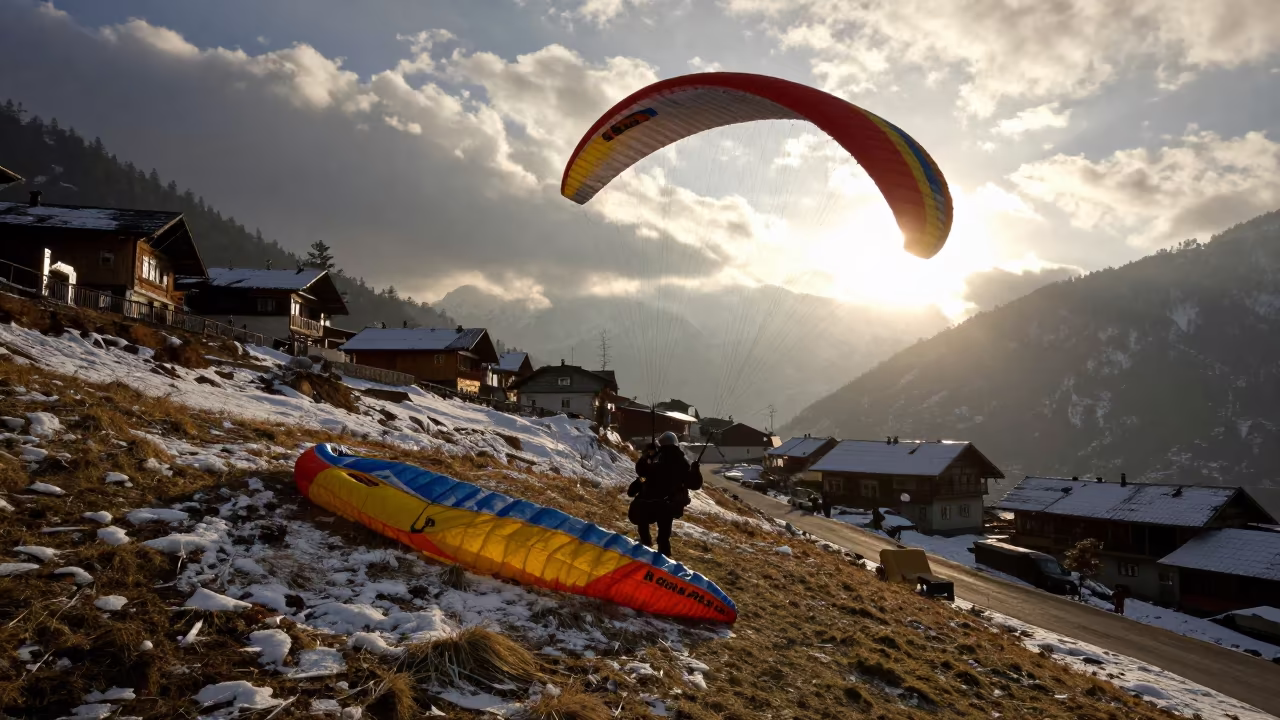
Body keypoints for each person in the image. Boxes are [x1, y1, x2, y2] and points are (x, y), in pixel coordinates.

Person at [628, 431, 698, 558]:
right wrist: (695, 470)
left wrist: (645, 456)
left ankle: (645, 544)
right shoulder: (682, 462)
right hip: (668, 505)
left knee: (642, 521)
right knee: (664, 534)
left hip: (648, 501)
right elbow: (693, 484)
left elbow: (642, 474)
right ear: (676, 444)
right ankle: (664, 556)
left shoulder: (655, 458)